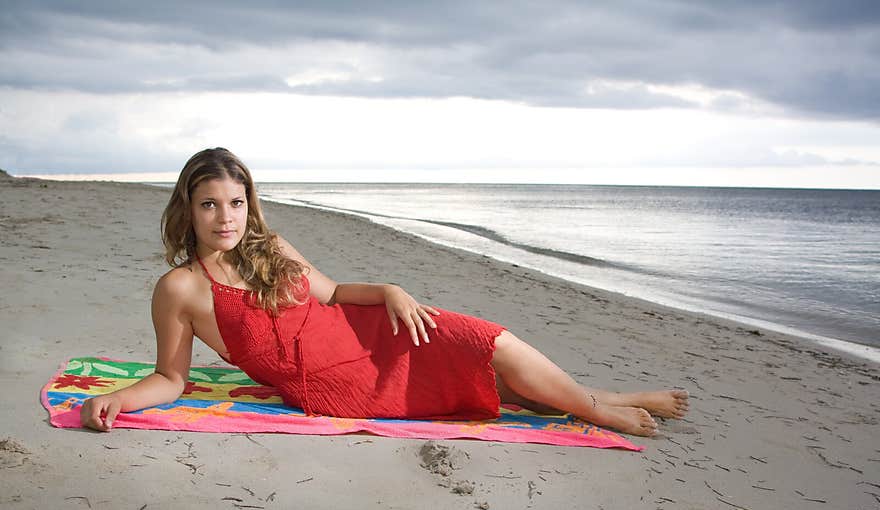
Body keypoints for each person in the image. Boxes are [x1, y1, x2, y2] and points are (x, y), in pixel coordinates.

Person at [80, 147, 689, 436]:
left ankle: (596, 394)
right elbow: (171, 379)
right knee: (476, 378)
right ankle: (595, 411)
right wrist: (117, 400)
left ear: (249, 205)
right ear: (187, 209)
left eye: (236, 203)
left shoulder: (272, 247)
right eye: (209, 204)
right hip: (332, 384)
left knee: (481, 339)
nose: (225, 217)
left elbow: (336, 293)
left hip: (366, 332)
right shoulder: (179, 288)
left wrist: (392, 290)